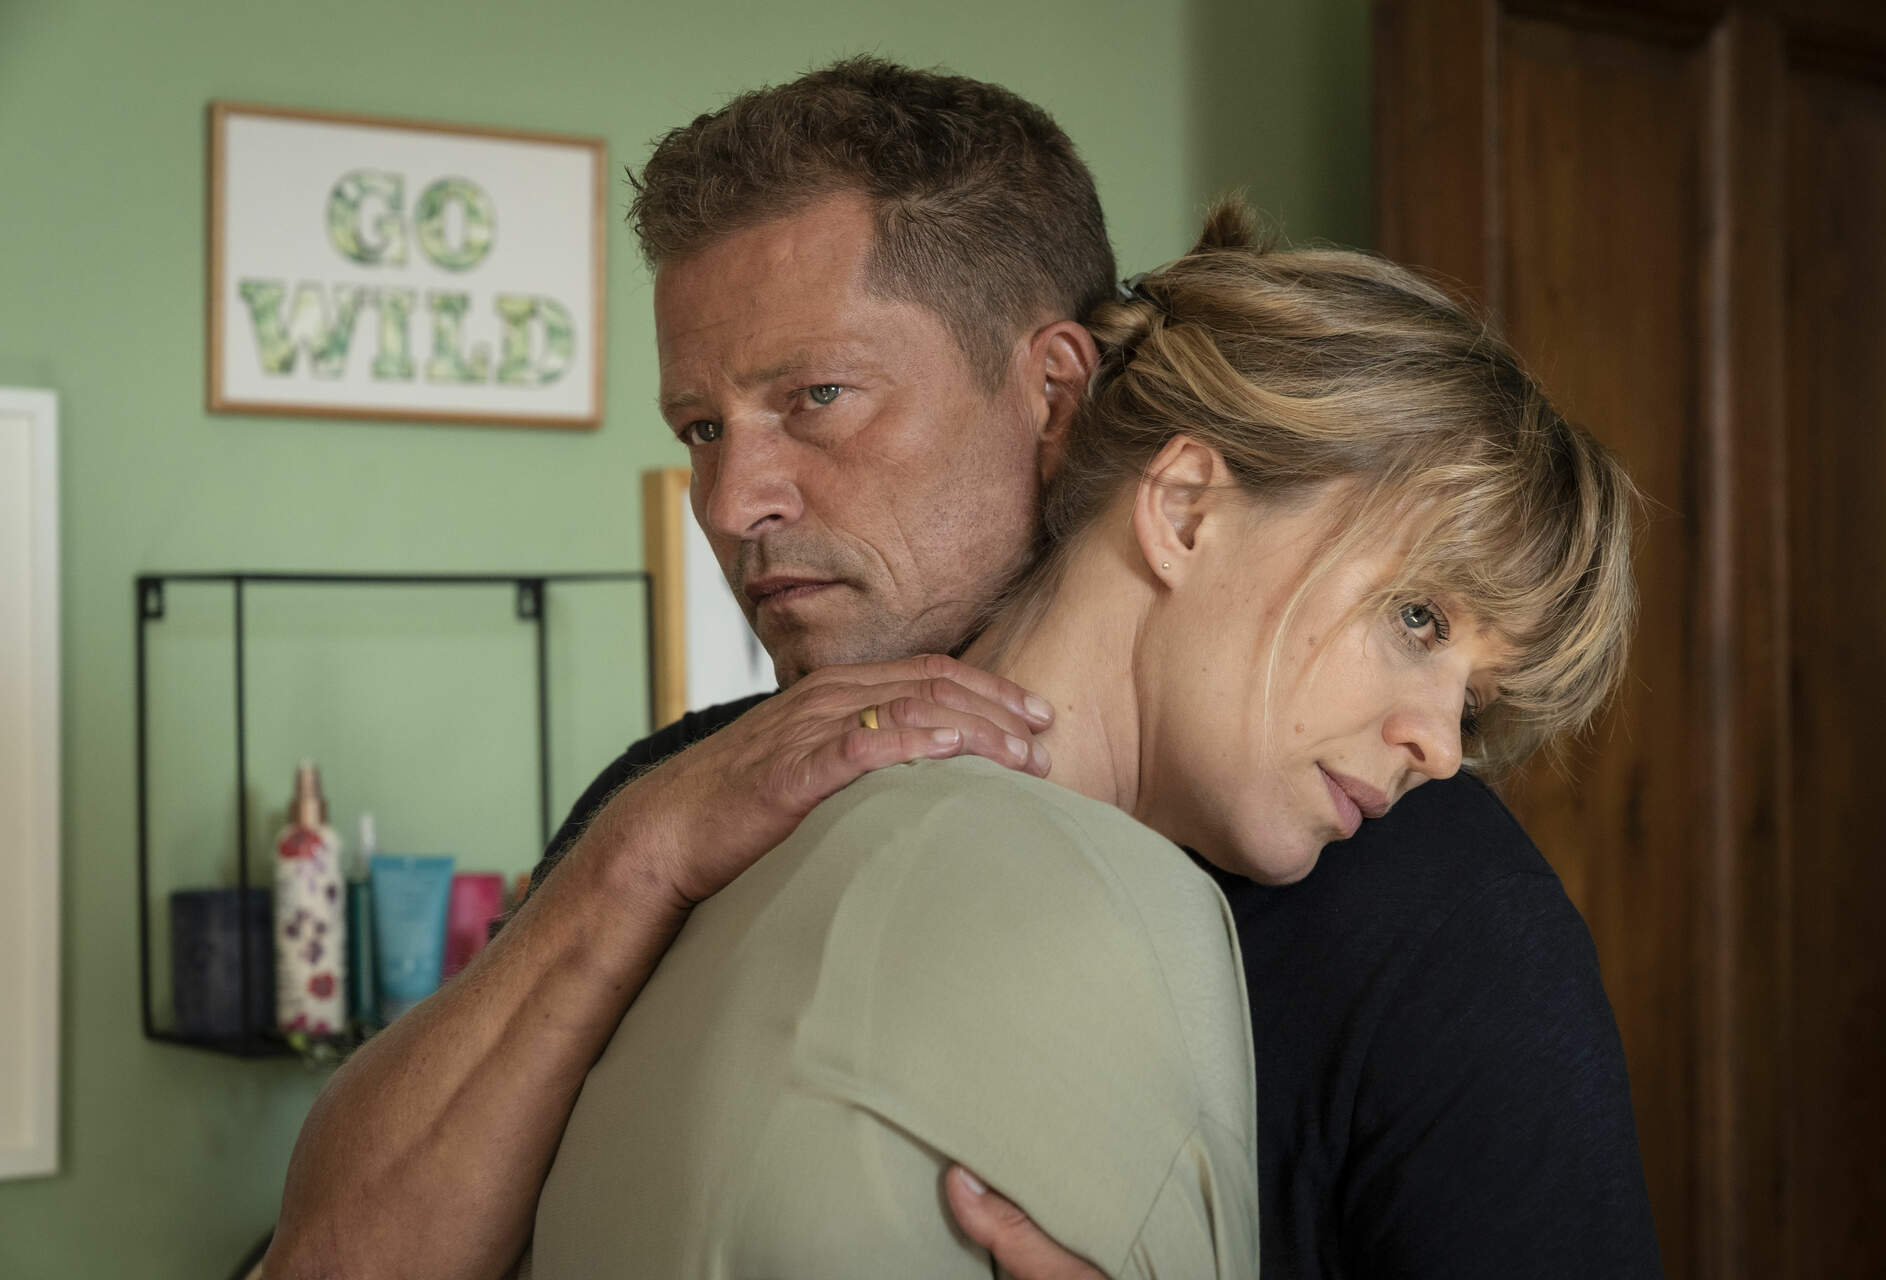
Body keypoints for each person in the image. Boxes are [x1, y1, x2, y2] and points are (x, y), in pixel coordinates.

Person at [267, 59, 1662, 1280]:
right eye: (700, 429)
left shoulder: (1439, 911)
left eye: (817, 397)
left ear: (1054, 392)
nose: (734, 502)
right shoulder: (693, 790)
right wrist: (638, 860)